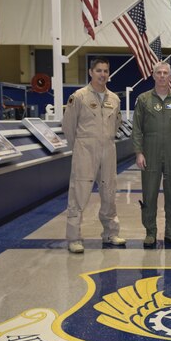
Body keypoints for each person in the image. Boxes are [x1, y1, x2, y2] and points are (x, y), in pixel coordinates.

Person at [62, 57, 126, 253]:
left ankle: (110, 233)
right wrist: (81, 146)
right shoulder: (79, 97)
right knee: (79, 193)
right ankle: (74, 238)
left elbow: (116, 125)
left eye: (106, 71)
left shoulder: (114, 99)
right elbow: (68, 126)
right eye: (98, 70)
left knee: (109, 192)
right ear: (91, 72)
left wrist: (104, 140)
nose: (102, 74)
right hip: (85, 150)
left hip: (108, 150)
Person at [132, 61, 171, 248]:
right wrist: (139, 152)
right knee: (149, 193)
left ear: (170, 76)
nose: (163, 76)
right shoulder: (143, 99)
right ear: (153, 75)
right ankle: (150, 232)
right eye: (159, 73)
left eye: (166, 73)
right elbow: (137, 129)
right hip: (150, 151)